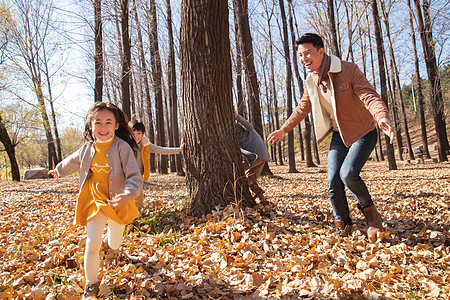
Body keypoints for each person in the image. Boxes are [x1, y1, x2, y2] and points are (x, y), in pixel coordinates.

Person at [268, 33, 395, 242]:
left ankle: (371, 213)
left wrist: (381, 117)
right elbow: (302, 108)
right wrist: (284, 129)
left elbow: (368, 95)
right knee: (333, 180)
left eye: (307, 52)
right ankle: (343, 224)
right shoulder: (312, 81)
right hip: (338, 136)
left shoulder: (348, 70)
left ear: (321, 51)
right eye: (300, 55)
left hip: (362, 132)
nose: (303, 58)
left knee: (348, 174)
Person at [48, 102, 143, 299]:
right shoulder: (87, 149)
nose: (102, 127)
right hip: (95, 201)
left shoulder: (122, 147)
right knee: (92, 244)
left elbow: (134, 176)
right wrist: (58, 170)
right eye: (97, 122)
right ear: (90, 125)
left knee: (115, 243)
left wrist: (128, 193)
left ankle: (112, 245)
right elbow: (71, 161)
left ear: (116, 125)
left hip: (117, 201)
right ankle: (91, 284)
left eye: (108, 122)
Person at [128, 120, 184, 211]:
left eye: (139, 133)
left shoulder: (146, 144)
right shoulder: (126, 144)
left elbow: (161, 150)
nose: (136, 136)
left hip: (138, 175)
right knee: (127, 195)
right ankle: (126, 215)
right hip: (126, 174)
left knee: (139, 197)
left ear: (143, 133)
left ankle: (137, 214)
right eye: (133, 134)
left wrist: (178, 150)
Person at [235, 108, 270, 204]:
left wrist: (237, 116)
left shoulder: (237, 122)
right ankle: (263, 202)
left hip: (255, 155)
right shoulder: (236, 124)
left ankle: (256, 195)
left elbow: (250, 127)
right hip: (263, 155)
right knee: (251, 181)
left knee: (236, 173)